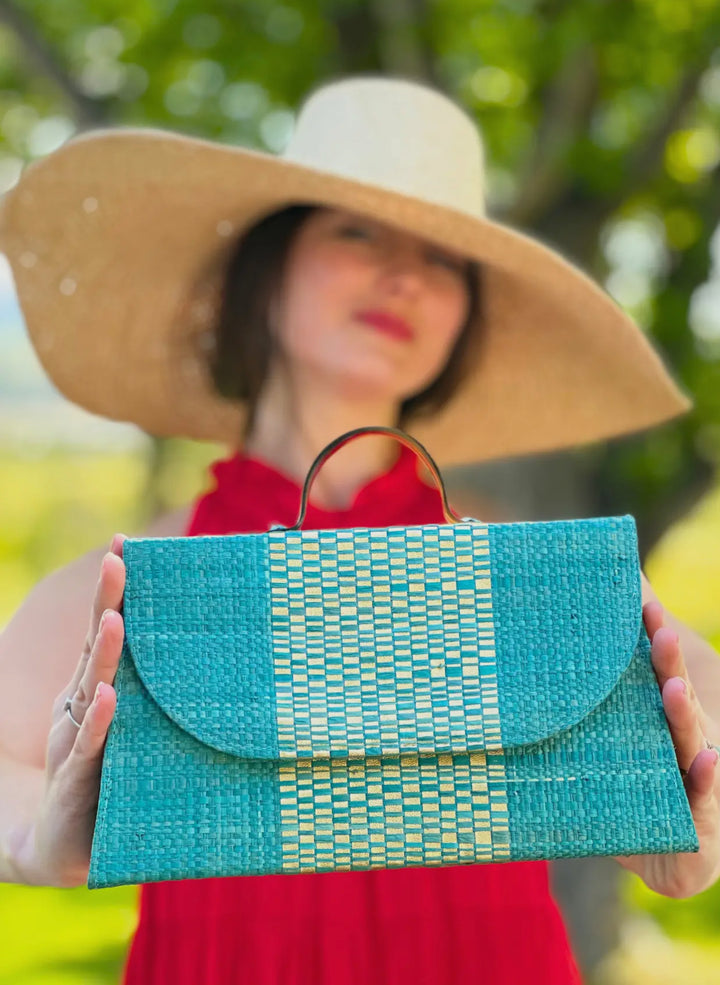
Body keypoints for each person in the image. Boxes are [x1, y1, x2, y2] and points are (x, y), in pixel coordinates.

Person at [0, 75, 719, 985]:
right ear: (266, 268)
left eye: (445, 257)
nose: (406, 275)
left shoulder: (526, 579)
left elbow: (708, 724)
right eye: (358, 230)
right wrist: (40, 840)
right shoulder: (132, 586)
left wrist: (695, 832)